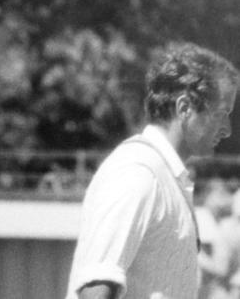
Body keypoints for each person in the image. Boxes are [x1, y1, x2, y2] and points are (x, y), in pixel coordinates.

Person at [65, 43, 239, 299]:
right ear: (185, 109)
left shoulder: (166, 176)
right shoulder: (137, 173)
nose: (228, 129)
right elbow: (95, 288)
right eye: (221, 114)